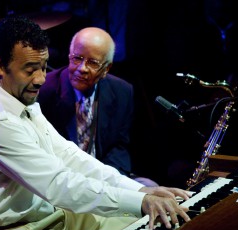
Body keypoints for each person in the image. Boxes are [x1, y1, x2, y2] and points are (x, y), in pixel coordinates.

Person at [0, 15, 191, 230]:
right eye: (30, 69)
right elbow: (58, 185)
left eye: (43, 67)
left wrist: (141, 193)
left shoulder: (18, 96)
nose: (40, 79)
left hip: (51, 218)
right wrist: (140, 201)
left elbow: (69, 155)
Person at [38, 27, 158, 187]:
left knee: (151, 188)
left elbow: (118, 146)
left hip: (105, 175)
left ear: (106, 69)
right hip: (62, 181)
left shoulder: (122, 91)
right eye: (77, 58)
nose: (82, 68)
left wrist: (112, 180)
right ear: (69, 56)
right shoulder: (44, 91)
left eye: (92, 62)